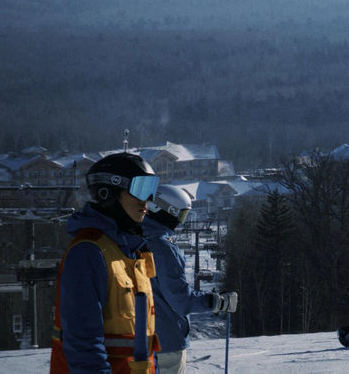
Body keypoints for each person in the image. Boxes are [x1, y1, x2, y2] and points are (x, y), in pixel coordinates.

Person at [50, 152, 161, 374]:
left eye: (151, 189)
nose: (147, 200)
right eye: (140, 189)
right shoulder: (88, 253)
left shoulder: (133, 253)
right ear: (108, 192)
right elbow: (84, 346)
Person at [142, 183, 238, 374]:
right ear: (165, 210)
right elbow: (180, 299)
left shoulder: (130, 239)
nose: (180, 222)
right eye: (180, 215)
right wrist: (216, 301)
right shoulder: (163, 249)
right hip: (165, 341)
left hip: (137, 339)